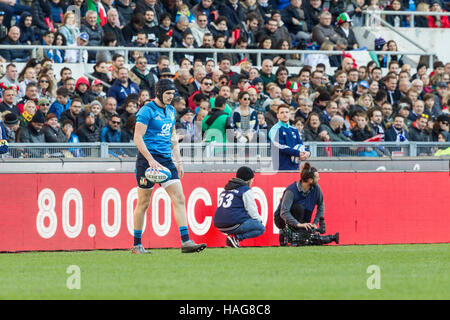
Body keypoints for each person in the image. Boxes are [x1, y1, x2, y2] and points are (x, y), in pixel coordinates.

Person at [132, 79, 206, 254]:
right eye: (168, 94)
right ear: (158, 93)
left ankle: (186, 241)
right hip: (147, 161)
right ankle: (137, 244)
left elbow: (173, 137)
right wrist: (150, 160)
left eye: (172, 94)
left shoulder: (172, 111)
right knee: (143, 202)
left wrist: (178, 161)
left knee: (179, 198)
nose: (171, 97)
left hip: (166, 160)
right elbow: (137, 137)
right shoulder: (146, 110)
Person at [274, 162, 339, 246]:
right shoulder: (291, 191)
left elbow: (321, 205)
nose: (319, 179)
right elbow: (284, 212)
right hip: (281, 219)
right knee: (299, 208)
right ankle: (287, 233)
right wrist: (299, 224)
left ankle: (300, 235)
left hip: (301, 218)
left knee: (308, 235)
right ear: (310, 180)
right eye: (317, 177)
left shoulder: (316, 188)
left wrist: (315, 223)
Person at [213, 166, 265, 248]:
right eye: (252, 178)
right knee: (260, 228)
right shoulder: (245, 189)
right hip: (233, 224)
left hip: (218, 224)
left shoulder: (226, 188)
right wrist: (259, 221)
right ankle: (236, 238)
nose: (252, 181)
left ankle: (232, 239)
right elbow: (252, 210)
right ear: (248, 179)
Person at [269, 104, 310, 171]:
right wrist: (298, 153)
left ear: (290, 114)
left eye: (287, 112)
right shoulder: (274, 129)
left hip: (295, 167)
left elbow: (300, 145)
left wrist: (307, 152)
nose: (285, 114)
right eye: (282, 112)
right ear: (277, 115)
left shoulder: (294, 129)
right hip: (281, 168)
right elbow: (281, 146)